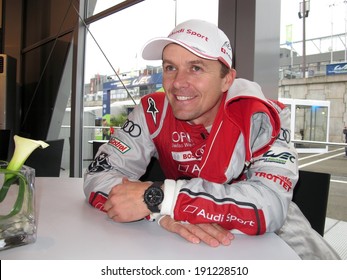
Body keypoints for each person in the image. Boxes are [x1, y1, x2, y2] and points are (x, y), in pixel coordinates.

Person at [84, 19, 340, 259]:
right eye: (170, 67)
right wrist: (158, 211)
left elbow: (270, 206)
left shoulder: (261, 116)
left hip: (276, 237)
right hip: (191, 236)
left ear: (227, 79)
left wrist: (164, 197)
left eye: (196, 68)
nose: (178, 83)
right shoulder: (153, 111)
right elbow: (98, 175)